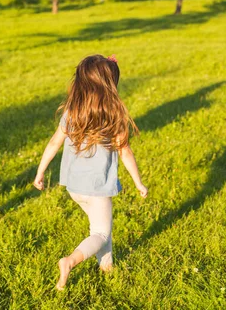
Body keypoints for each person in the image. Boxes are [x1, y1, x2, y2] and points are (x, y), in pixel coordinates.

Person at [33, 54, 148, 290]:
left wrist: (40, 172)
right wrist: (139, 183)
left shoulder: (73, 112)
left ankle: (106, 267)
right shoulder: (113, 116)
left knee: (99, 227)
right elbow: (125, 152)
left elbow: (54, 143)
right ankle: (70, 261)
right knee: (101, 233)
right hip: (97, 188)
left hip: (75, 187)